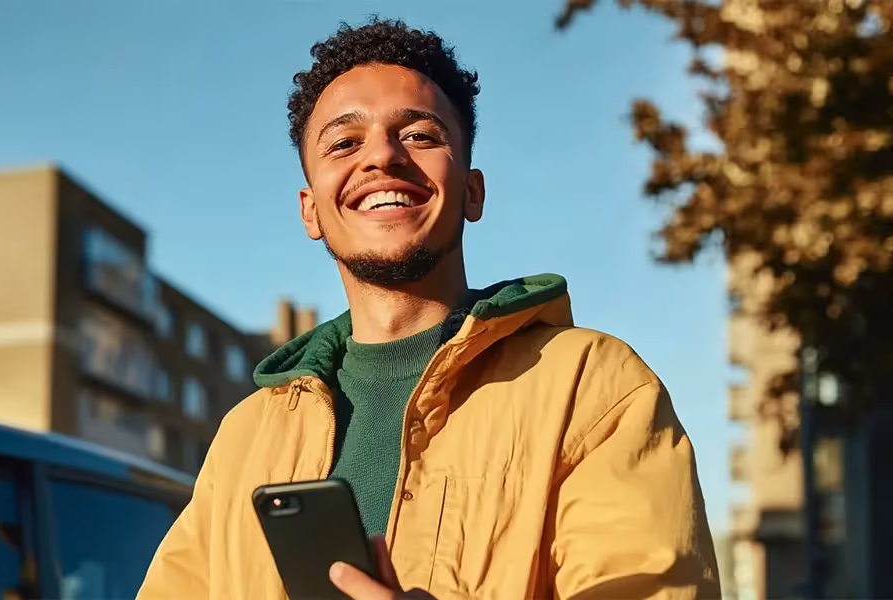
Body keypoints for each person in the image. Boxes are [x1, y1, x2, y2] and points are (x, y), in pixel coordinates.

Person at [137, 17, 719, 600]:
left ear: (472, 191)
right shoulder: (245, 435)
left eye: (419, 135)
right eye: (344, 142)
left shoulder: (592, 386)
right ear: (310, 210)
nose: (383, 157)